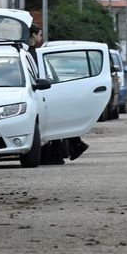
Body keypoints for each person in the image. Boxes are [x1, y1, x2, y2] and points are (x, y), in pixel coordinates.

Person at [29, 22, 89, 162]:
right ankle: (73, 145)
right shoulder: (31, 54)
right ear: (33, 35)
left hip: (43, 90)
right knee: (55, 120)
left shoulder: (34, 53)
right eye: (40, 34)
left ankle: (65, 149)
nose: (41, 37)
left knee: (55, 120)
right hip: (38, 91)